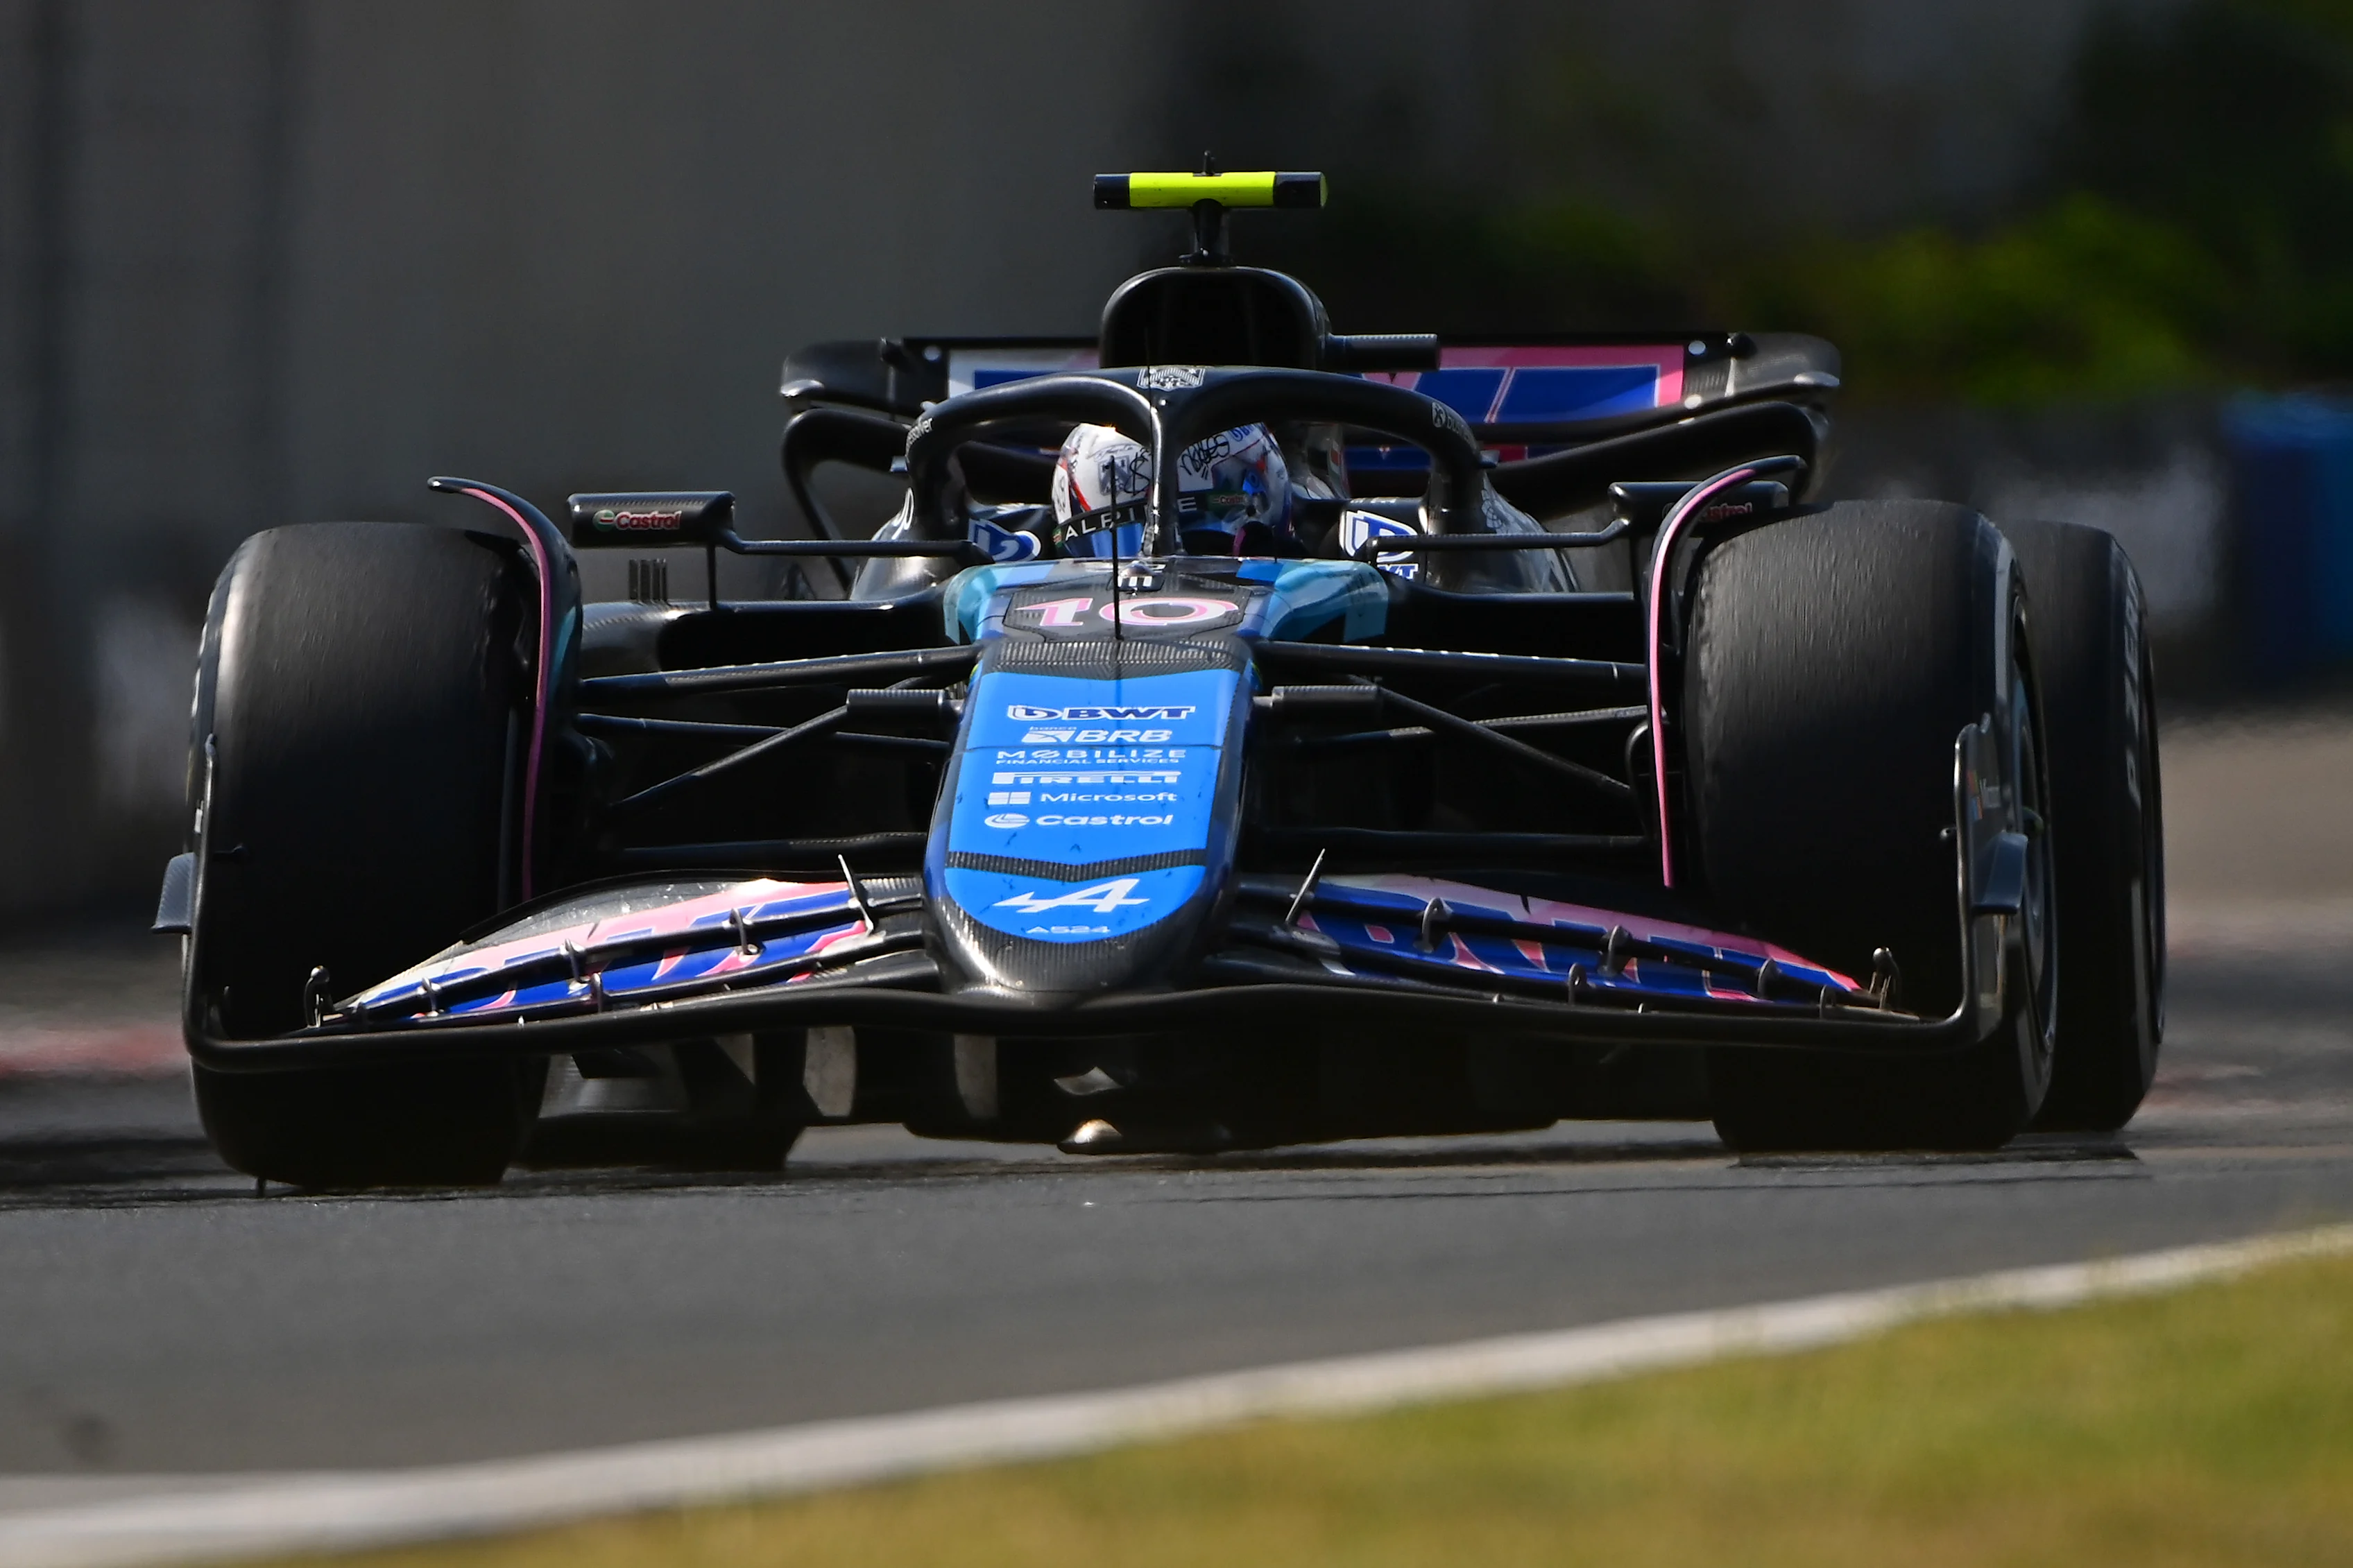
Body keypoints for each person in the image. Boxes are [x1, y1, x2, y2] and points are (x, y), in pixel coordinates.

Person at [1048, 420, 1572, 590]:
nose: (1162, 567)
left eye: (1204, 534)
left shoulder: (1361, 549)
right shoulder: (1003, 564)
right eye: (1117, 539)